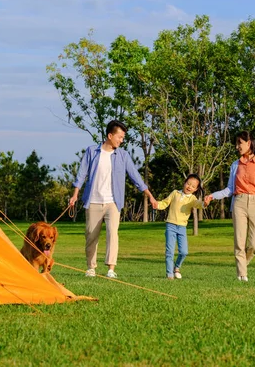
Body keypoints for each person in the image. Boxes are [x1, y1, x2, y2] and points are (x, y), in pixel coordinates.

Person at [69, 120, 156, 279]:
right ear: (110, 135)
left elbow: (135, 176)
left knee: (112, 234)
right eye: (120, 137)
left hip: (113, 202)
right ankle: (91, 267)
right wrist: (75, 194)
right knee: (91, 235)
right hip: (93, 201)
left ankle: (111, 268)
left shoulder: (123, 155)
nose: (121, 140)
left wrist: (149, 196)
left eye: (123, 137)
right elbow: (81, 174)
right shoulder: (92, 151)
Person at [204, 131, 255, 282]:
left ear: (249, 143)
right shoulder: (235, 165)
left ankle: (243, 265)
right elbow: (230, 189)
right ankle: (242, 274)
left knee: (254, 245)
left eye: (240, 142)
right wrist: (213, 196)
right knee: (239, 242)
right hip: (239, 203)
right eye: (236, 143)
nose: (237, 146)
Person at [153, 174, 204, 280]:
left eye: (193, 186)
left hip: (182, 228)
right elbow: (164, 203)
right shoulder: (175, 193)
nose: (189, 187)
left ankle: (177, 267)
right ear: (184, 182)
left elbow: (198, 204)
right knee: (169, 251)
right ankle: (169, 274)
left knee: (184, 252)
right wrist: (156, 204)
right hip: (170, 225)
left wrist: (205, 203)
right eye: (188, 184)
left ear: (196, 189)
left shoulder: (192, 199)